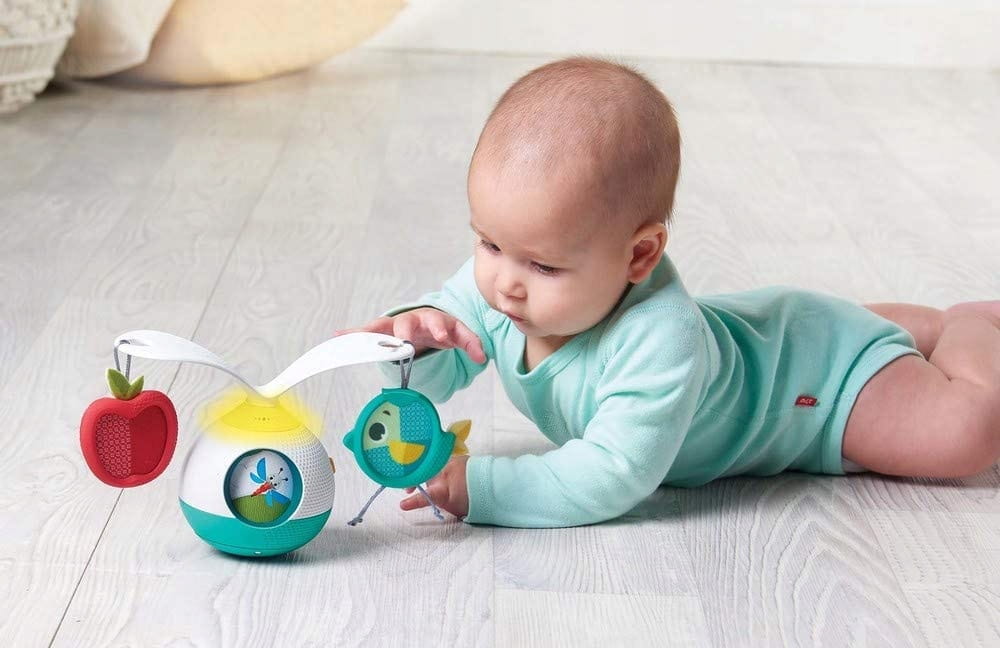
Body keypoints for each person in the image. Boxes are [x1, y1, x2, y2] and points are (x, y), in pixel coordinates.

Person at [334, 57, 1000, 528]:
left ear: (639, 255)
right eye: (488, 243)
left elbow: (612, 472)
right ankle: (913, 326)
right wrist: (414, 342)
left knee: (964, 435)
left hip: (819, 391)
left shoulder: (661, 338)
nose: (503, 281)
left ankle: (965, 326)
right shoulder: (508, 282)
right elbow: (443, 368)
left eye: (543, 266)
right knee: (795, 330)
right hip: (781, 336)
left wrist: (483, 487)